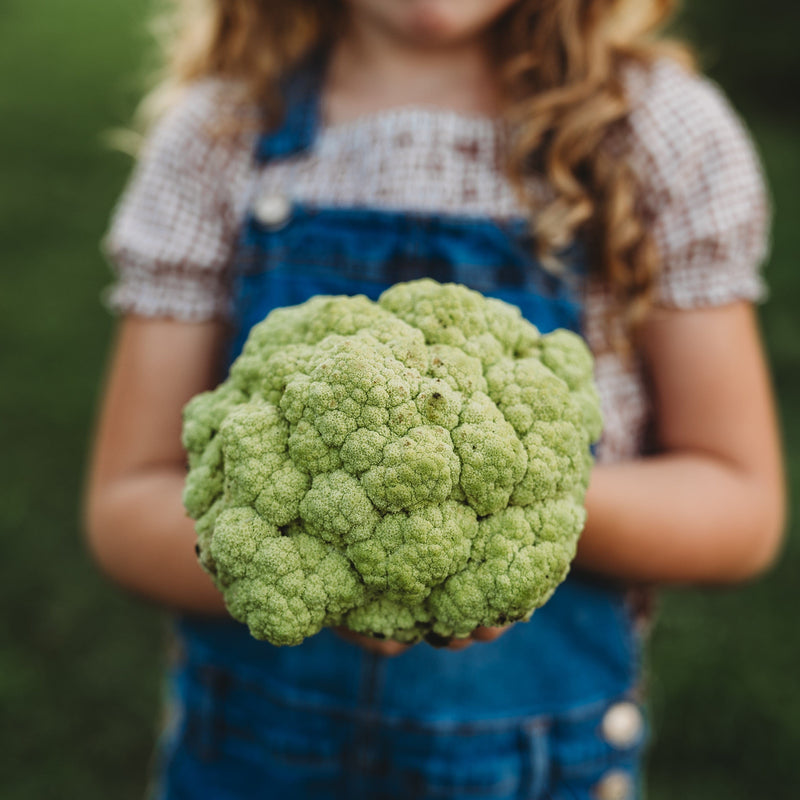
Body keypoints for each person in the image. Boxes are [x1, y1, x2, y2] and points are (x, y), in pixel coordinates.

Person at [84, 1, 786, 798]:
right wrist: (308, 562)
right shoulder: (221, 134)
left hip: (541, 766)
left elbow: (741, 507)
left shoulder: (656, 134)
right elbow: (124, 505)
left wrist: (517, 504)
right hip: (252, 754)